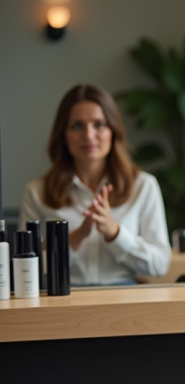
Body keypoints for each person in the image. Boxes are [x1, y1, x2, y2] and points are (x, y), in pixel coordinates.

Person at [19, 84, 170, 285]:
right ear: (63, 135)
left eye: (99, 124)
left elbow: (160, 265)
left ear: (113, 131)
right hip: (60, 298)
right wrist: (77, 236)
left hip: (124, 300)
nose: (89, 136)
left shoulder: (143, 186)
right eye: (77, 126)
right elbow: (26, 271)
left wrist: (114, 233)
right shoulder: (36, 192)